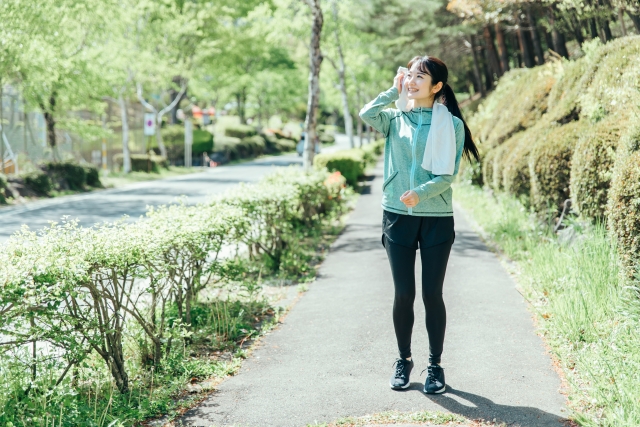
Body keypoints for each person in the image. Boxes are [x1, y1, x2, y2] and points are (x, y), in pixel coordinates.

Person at [359, 56, 479, 394]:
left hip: (436, 219)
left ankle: (435, 366)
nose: (412, 81)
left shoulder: (451, 124)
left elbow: (447, 174)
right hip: (396, 217)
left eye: (420, 77)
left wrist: (421, 192)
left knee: (431, 294)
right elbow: (366, 114)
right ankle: (403, 359)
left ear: (437, 86)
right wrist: (391, 91)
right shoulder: (395, 118)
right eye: (409, 75)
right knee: (403, 294)